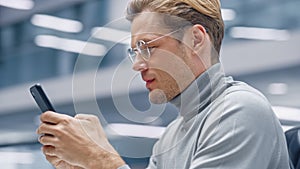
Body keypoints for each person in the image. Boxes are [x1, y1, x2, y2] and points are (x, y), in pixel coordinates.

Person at [37, 0, 290, 169]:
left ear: (195, 39)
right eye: (134, 51)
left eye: (147, 47)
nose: (137, 64)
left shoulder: (239, 111)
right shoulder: (171, 136)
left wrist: (99, 159)